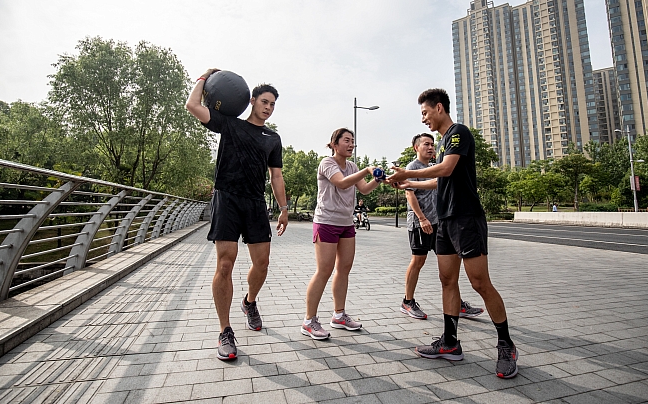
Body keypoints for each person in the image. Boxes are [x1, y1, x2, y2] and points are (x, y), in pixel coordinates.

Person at [389, 88, 519, 379]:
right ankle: (450, 343)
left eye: (425, 113)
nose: (423, 119)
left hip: (466, 218)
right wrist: (408, 183)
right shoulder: (445, 141)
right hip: (445, 221)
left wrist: (408, 175)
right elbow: (439, 182)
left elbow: (446, 170)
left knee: (479, 283)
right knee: (447, 280)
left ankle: (506, 344)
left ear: (438, 108)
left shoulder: (458, 132)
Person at [185, 68, 289, 361]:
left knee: (262, 264)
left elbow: (277, 176)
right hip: (227, 198)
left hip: (256, 203)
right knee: (226, 264)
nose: (268, 108)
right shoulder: (229, 124)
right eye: (264, 101)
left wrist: (283, 209)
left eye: (272, 104)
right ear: (252, 101)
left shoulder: (272, 138)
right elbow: (193, 105)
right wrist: (204, 78)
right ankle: (225, 330)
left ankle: (249, 302)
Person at [301, 128, 382, 340]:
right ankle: (309, 321)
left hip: (346, 223)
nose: (351, 144)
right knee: (324, 270)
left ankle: (339, 315)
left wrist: (379, 179)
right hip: (326, 222)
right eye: (346, 140)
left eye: (353, 140)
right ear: (334, 144)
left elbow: (363, 189)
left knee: (343, 269)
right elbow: (341, 182)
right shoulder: (327, 163)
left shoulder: (352, 166)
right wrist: (367, 170)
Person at [401, 132, 484, 321]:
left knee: (449, 265)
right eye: (426, 144)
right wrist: (422, 219)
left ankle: (458, 303)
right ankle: (408, 301)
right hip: (420, 223)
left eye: (432, 145)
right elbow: (410, 195)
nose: (431, 148)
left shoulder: (434, 167)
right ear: (416, 147)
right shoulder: (411, 167)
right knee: (418, 261)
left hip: (439, 223)